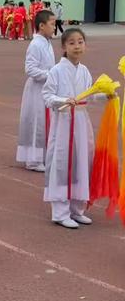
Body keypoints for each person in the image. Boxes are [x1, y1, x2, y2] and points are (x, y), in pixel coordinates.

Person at [42, 28, 111, 229]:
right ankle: (60, 211)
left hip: (81, 122)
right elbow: (47, 96)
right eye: (72, 42)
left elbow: (88, 96)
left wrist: (105, 96)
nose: (77, 46)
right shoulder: (56, 71)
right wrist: (63, 100)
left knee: (82, 161)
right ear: (64, 47)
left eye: (80, 42)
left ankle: (77, 209)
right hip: (63, 122)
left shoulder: (85, 71)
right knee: (62, 162)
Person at [16, 10, 56, 172]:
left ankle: (42, 155)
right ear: (41, 26)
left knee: (44, 122)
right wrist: (51, 75)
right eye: (52, 24)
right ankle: (33, 159)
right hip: (36, 89)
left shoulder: (46, 42)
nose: (54, 27)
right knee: (37, 123)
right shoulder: (36, 44)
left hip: (46, 88)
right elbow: (30, 69)